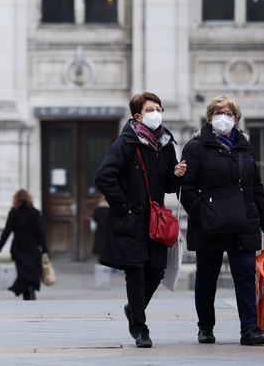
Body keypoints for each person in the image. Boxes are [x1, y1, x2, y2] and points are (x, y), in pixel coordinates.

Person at [180, 95, 264, 346]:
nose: (223, 118)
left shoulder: (245, 147)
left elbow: (256, 188)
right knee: (206, 278)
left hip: (243, 222)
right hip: (209, 225)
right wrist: (202, 214)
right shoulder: (196, 147)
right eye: (218, 113)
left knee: (245, 276)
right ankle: (205, 327)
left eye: (229, 114)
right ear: (210, 117)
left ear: (236, 119)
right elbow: (187, 189)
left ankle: (249, 329)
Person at [94, 92, 187, 348]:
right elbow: (104, 177)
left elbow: (169, 185)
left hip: (155, 221)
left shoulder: (166, 144)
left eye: (159, 108)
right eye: (151, 109)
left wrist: (177, 175)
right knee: (135, 273)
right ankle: (140, 328)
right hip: (131, 220)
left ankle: (133, 309)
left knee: (156, 271)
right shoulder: (125, 143)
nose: (157, 113)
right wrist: (124, 207)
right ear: (138, 115)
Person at [0, 189, 48, 301]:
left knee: (23, 273)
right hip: (32, 248)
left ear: (16, 200)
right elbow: (40, 233)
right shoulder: (35, 213)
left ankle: (26, 293)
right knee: (32, 272)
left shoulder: (13, 213)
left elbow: (7, 231)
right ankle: (31, 289)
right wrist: (45, 249)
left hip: (18, 248)